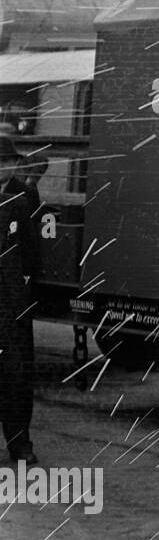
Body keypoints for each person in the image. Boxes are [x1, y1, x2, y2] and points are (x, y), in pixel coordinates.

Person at [0, 137, 39, 464]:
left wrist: (23, 284)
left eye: (6, 161)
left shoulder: (25, 196)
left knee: (16, 372)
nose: (2, 167)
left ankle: (19, 442)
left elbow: (31, 249)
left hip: (11, 300)